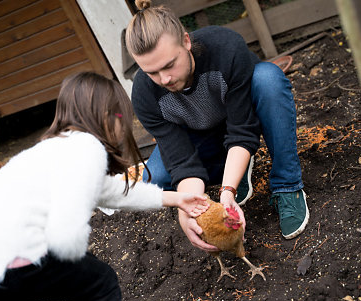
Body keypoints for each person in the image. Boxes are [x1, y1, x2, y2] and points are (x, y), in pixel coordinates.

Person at [0, 72, 209, 301]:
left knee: (84, 285)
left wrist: (176, 199)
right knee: (101, 282)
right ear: (107, 116)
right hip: (3, 262)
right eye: (123, 117)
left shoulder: (57, 147)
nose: (125, 127)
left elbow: (111, 191)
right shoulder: (88, 147)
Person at [125, 0, 310, 251]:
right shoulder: (145, 96)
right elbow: (181, 161)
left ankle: (287, 185)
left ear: (186, 42)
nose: (164, 79)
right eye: (152, 73)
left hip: (241, 118)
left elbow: (242, 129)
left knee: (268, 79)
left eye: (169, 65)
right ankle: (234, 168)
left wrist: (226, 192)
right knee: (155, 176)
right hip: (198, 135)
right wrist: (186, 210)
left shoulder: (225, 48)